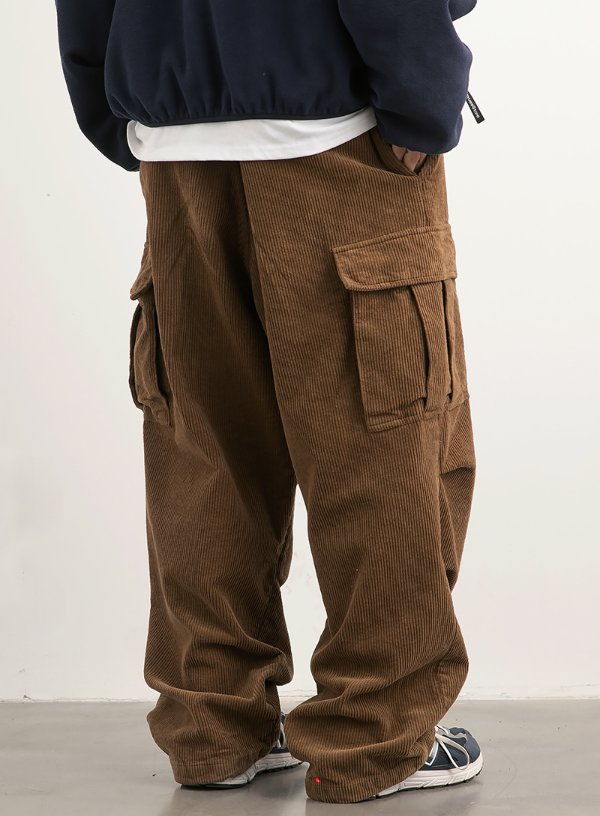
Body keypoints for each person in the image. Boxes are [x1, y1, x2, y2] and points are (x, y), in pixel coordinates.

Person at [54, 0, 483, 804]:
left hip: (175, 138)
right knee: (380, 446)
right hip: (333, 128)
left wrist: (117, 98)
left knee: (206, 453)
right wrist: (422, 90)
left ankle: (212, 729)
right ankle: (373, 736)